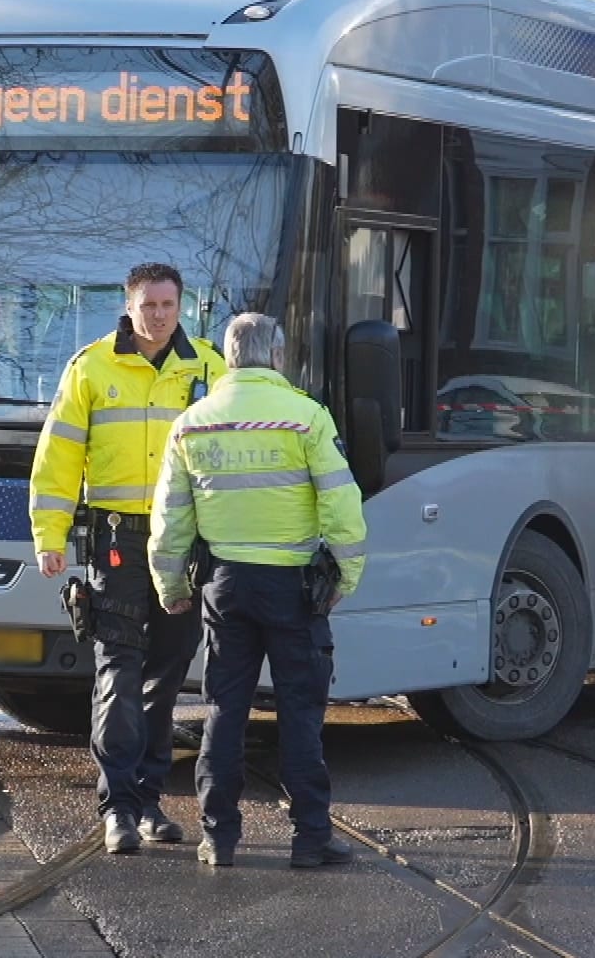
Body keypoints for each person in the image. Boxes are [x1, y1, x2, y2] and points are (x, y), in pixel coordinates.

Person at [148, 313, 369, 869]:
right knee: (300, 712)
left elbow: (171, 518)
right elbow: (342, 502)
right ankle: (310, 838)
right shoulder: (306, 418)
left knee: (225, 709)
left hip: (226, 586)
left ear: (227, 357)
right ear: (275, 356)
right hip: (294, 587)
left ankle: (218, 837)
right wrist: (346, 574)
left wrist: (171, 585)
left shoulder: (192, 423)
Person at [29, 263, 226, 854]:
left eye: (168, 305)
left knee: (166, 675)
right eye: (149, 305)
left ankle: (147, 801)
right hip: (116, 539)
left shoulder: (211, 368)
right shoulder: (92, 367)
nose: (159, 315)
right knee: (119, 666)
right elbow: (58, 457)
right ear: (129, 304)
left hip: (184, 542)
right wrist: (50, 535)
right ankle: (117, 806)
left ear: (181, 306)